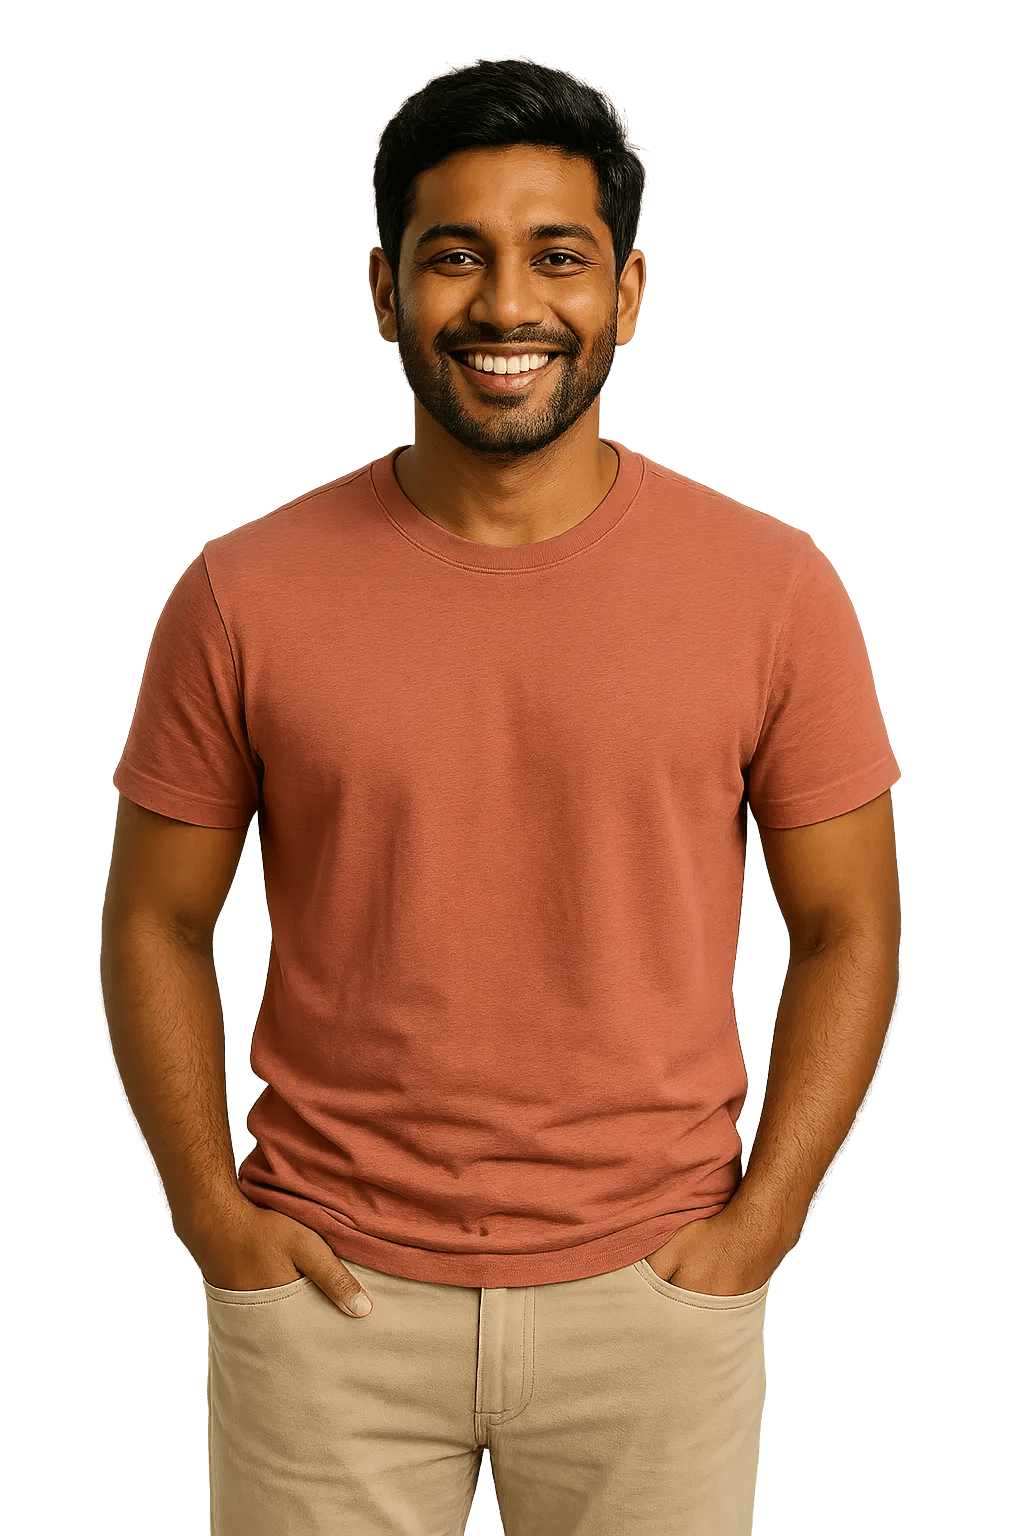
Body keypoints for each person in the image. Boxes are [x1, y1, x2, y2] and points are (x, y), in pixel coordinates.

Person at [99, 54, 902, 1536]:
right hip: (327, 1301)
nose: (507, 305)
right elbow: (156, 920)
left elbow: (849, 924)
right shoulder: (238, 593)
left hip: (653, 1296)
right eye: (455, 256)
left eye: (560, 257)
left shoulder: (775, 587)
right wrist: (211, 1213)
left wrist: (764, 1222)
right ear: (385, 289)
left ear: (629, 292)